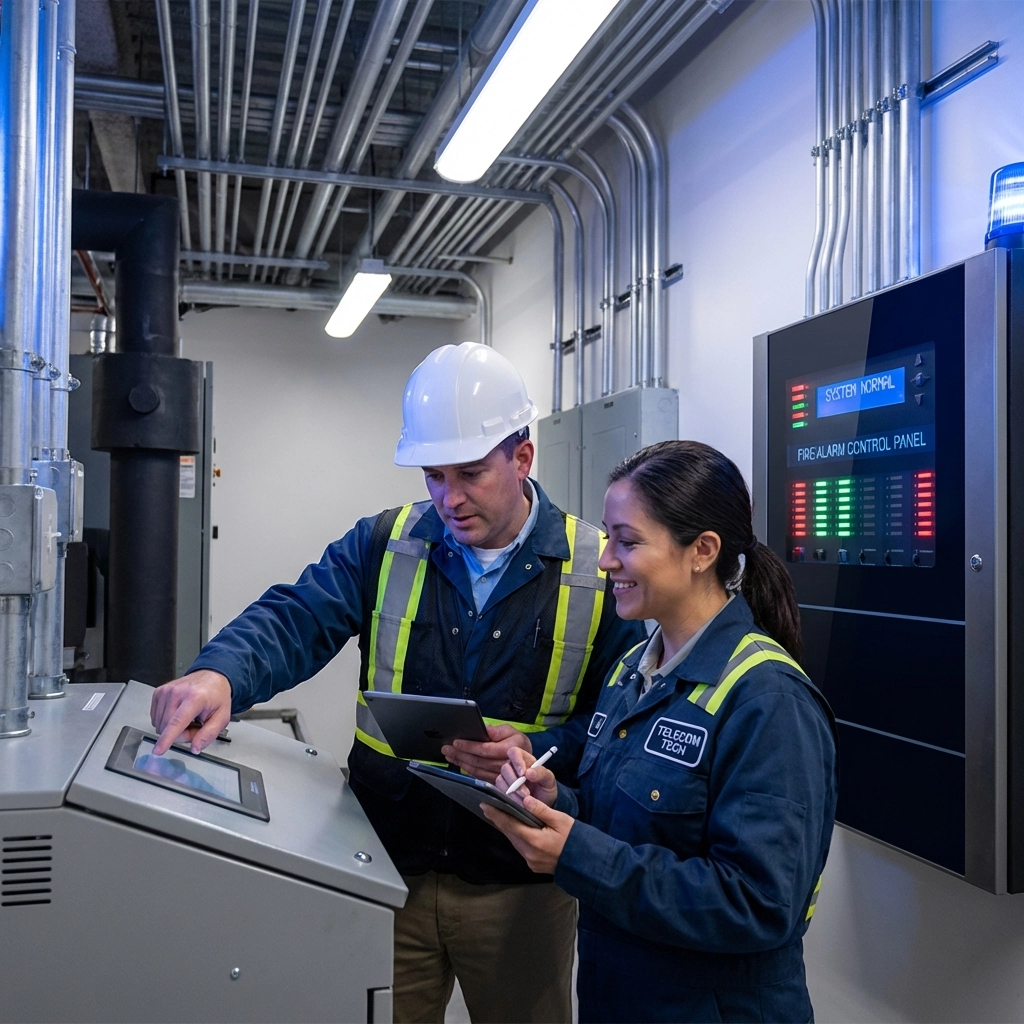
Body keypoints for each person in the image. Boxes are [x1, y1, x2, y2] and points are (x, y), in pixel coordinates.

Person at [148, 342, 644, 1024]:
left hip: (518, 884)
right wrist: (220, 673)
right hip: (385, 864)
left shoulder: (599, 568)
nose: (450, 498)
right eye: (434, 475)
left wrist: (540, 749)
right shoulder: (385, 542)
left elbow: (621, 726)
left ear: (522, 457)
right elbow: (297, 616)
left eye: (471, 473)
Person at [483, 440, 839, 1024]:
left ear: (702, 551)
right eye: (607, 538)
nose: (605, 560)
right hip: (620, 996)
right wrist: (558, 802)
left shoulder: (769, 699)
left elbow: (758, 903)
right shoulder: (633, 670)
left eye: (627, 541)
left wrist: (577, 854)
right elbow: (629, 824)